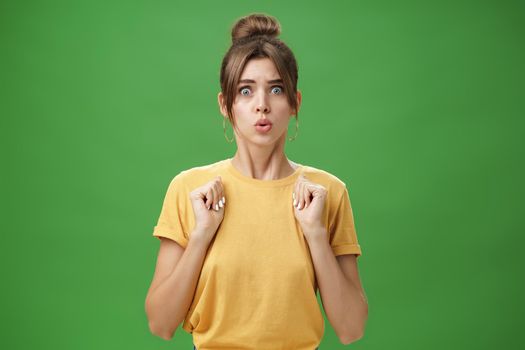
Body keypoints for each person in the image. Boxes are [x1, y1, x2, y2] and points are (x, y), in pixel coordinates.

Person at [145, 13, 368, 350]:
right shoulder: (190, 190)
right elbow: (160, 324)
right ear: (225, 105)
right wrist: (202, 235)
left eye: (276, 89)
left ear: (295, 103)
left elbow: (352, 328)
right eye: (245, 91)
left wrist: (316, 234)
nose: (261, 106)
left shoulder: (327, 194)